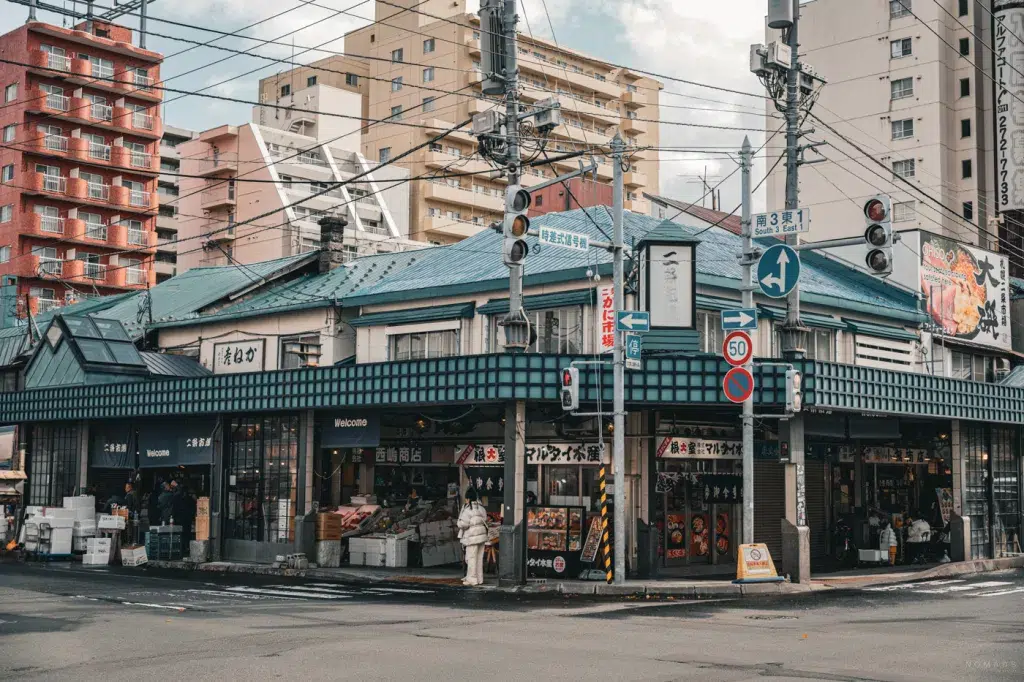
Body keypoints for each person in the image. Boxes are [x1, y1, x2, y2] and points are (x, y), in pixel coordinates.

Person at [457, 488, 488, 586]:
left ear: (468, 499)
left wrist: (459, 522)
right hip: (481, 537)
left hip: (472, 538)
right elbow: (485, 519)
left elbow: (463, 524)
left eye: (466, 499)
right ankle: (479, 579)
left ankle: (472, 579)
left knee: (471, 558)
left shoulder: (467, 510)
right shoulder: (481, 508)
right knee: (479, 558)